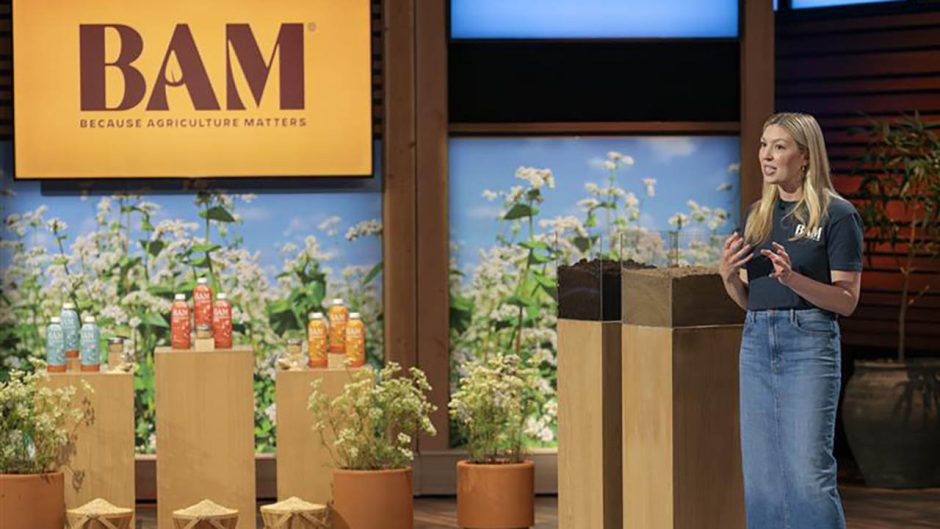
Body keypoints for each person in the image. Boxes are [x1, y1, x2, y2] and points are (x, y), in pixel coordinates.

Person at [719, 112, 864, 529]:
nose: (766, 155)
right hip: (757, 341)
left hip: (810, 343)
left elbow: (847, 301)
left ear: (804, 156)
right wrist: (728, 277)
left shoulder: (838, 215)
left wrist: (793, 279)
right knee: (762, 478)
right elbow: (750, 301)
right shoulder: (755, 217)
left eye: (779, 146)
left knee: (807, 476)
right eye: (764, 145)